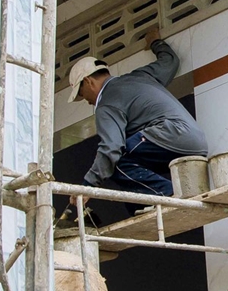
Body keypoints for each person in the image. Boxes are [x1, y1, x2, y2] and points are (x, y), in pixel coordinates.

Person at [67, 26, 207, 209]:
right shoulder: (140, 76)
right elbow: (170, 62)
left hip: (171, 135)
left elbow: (111, 149)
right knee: (133, 189)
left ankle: (168, 194)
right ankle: (145, 206)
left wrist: (86, 187)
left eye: (82, 94)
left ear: (88, 81)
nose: (86, 101)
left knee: (115, 163)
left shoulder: (106, 102)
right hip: (195, 141)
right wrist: (155, 42)